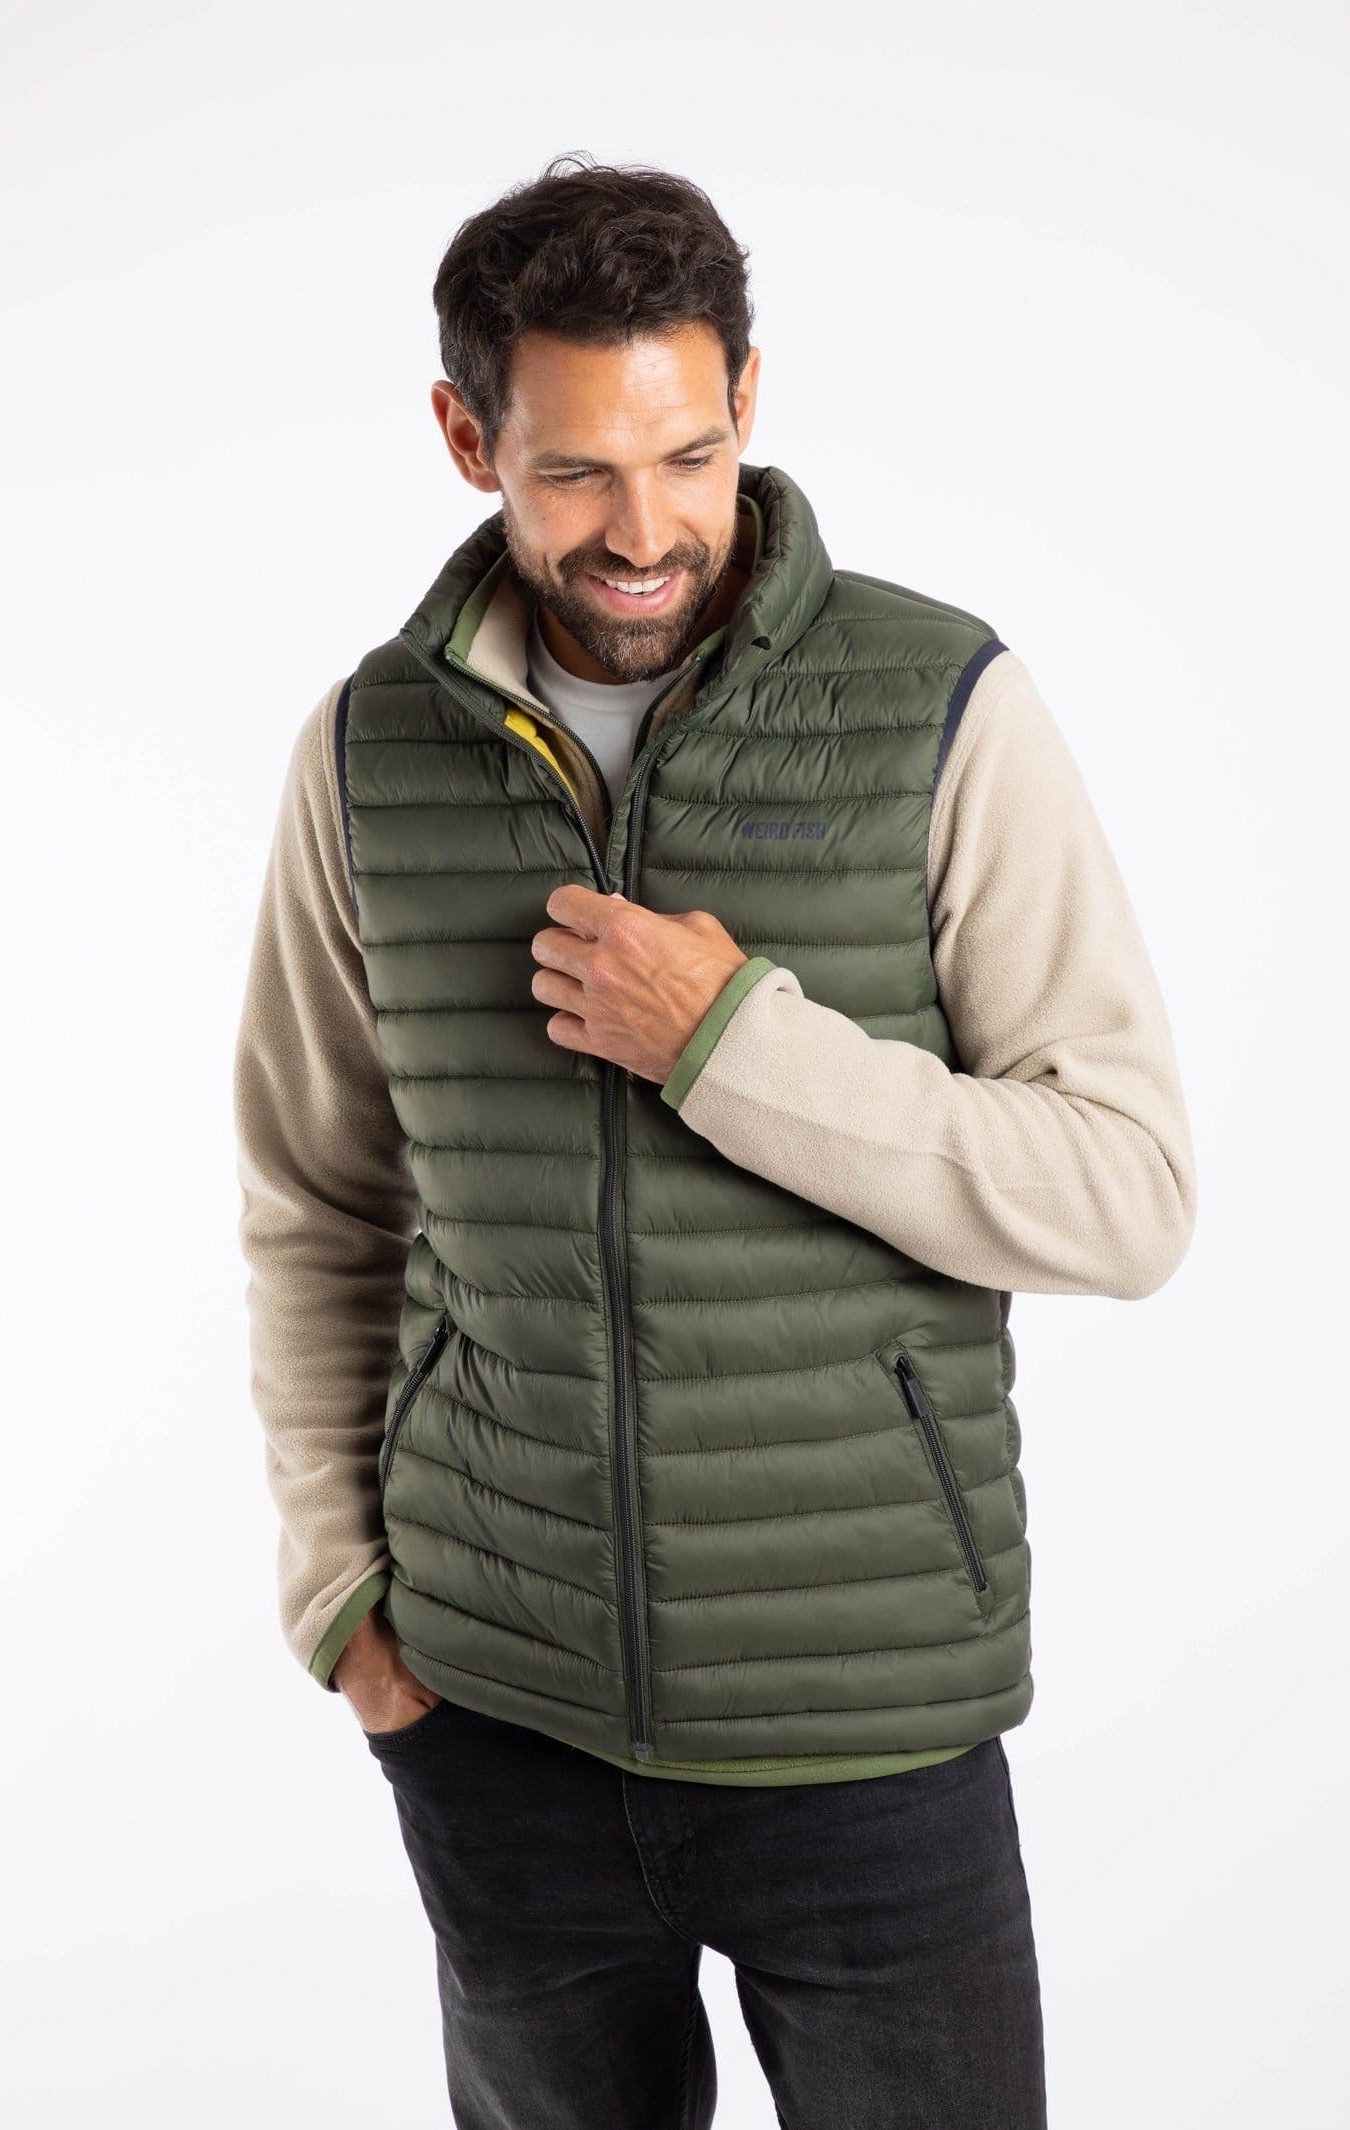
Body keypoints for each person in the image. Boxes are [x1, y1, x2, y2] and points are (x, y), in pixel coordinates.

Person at [232, 151, 1196, 2130]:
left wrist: (734, 1045)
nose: (644, 527)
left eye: (688, 453)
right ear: (467, 440)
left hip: (866, 1723)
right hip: (495, 1716)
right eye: (575, 470)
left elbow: (1127, 1190)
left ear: (747, 397)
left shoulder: (940, 704)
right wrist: (347, 1604)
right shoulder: (364, 752)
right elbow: (316, 1198)